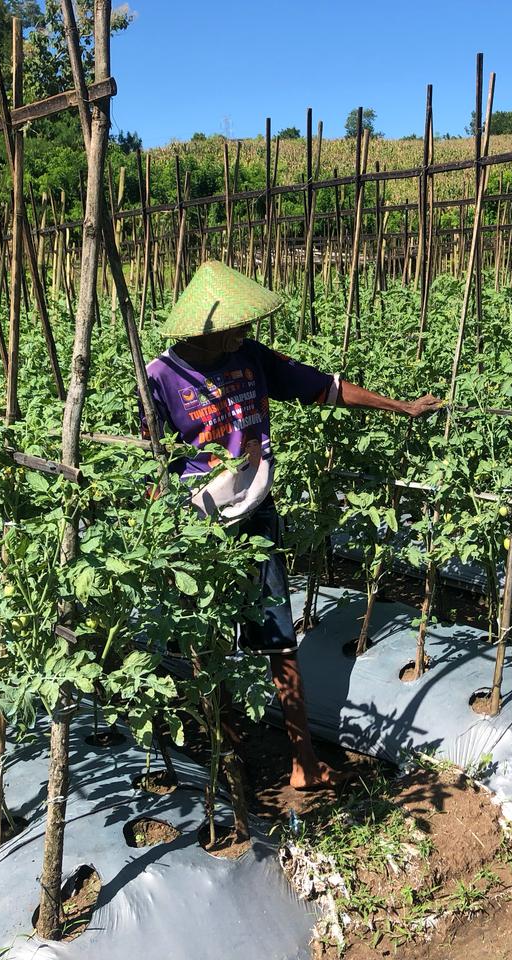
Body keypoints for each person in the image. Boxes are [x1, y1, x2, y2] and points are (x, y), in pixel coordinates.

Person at [144, 261, 441, 790]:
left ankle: (303, 759)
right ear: (206, 327)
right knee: (207, 638)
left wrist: (401, 407)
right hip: (198, 526)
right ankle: (228, 754)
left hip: (257, 512)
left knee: (278, 633)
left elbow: (326, 388)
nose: (246, 330)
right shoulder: (159, 378)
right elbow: (151, 463)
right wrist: (159, 531)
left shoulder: (251, 358)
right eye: (237, 323)